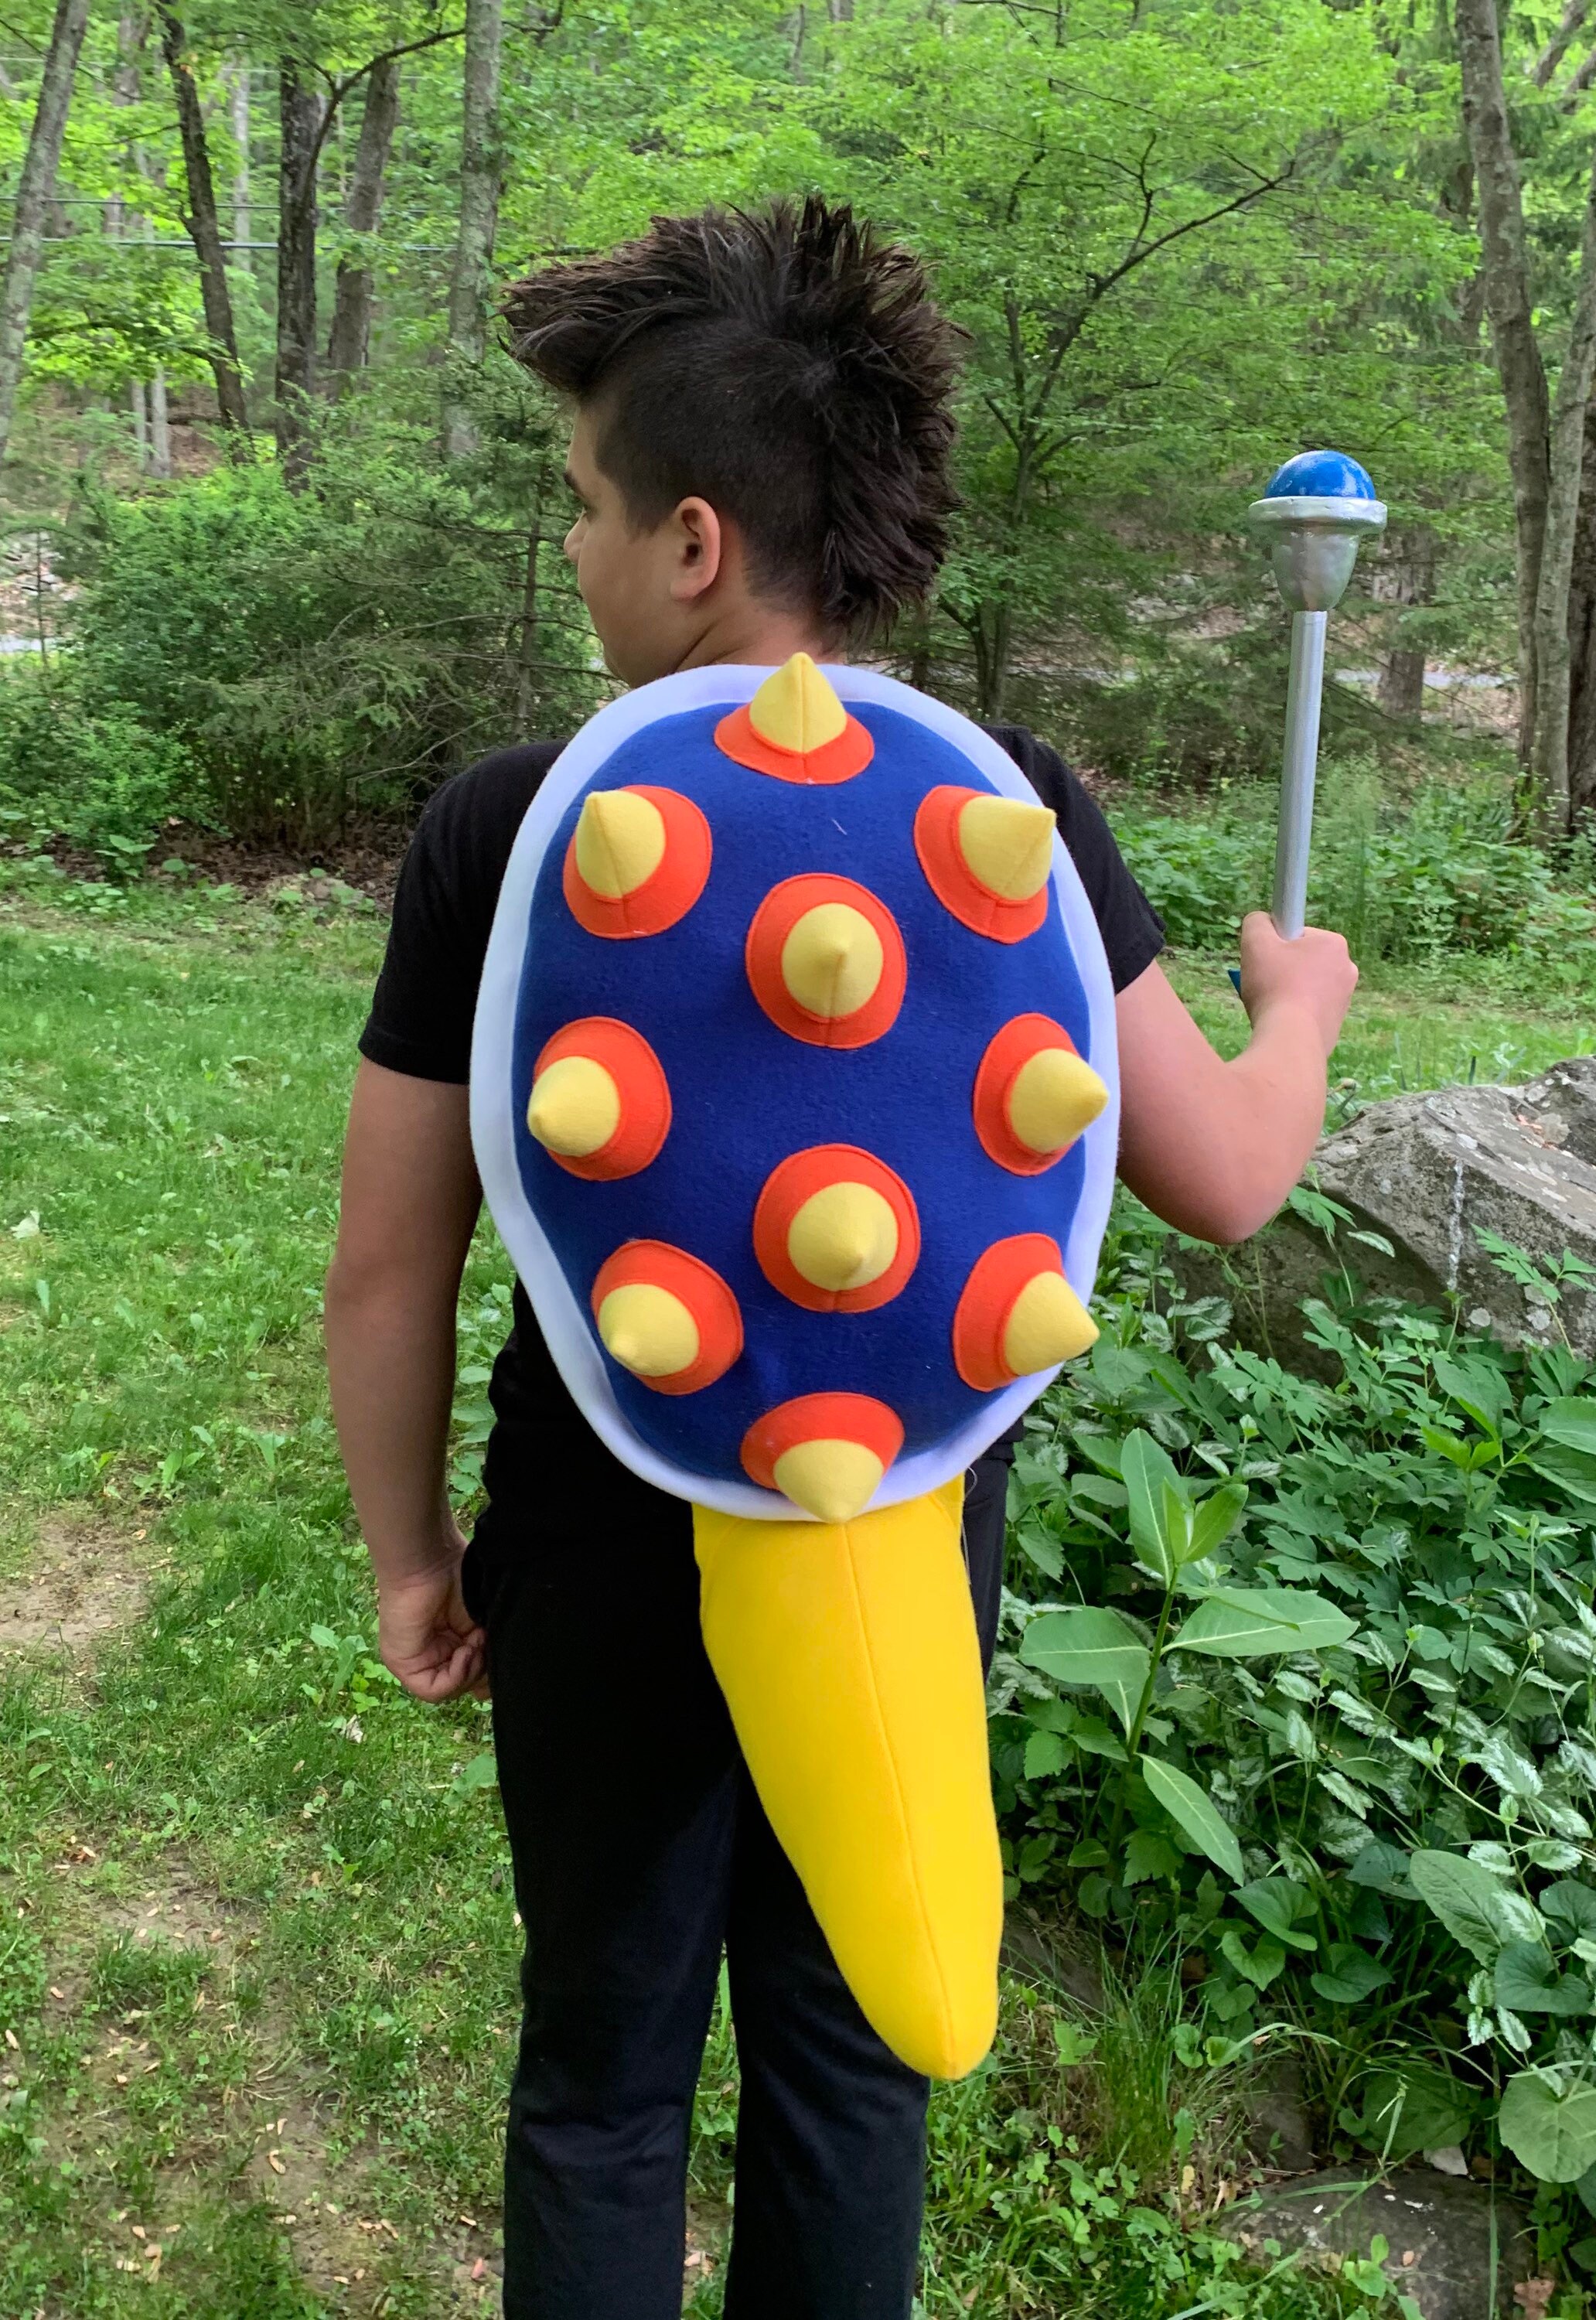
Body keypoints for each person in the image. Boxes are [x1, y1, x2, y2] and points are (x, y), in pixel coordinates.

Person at [324, 196, 1357, 2320]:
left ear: (694, 542)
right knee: (854, 2054)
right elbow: (1232, 1178)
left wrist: (414, 1554)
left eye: (586, 503)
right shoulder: (1014, 807)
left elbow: (388, 1266)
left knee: (603, 2075)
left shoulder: (509, 822)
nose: (578, 548)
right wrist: (1304, 1012)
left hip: (591, 1536)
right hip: (899, 1522)